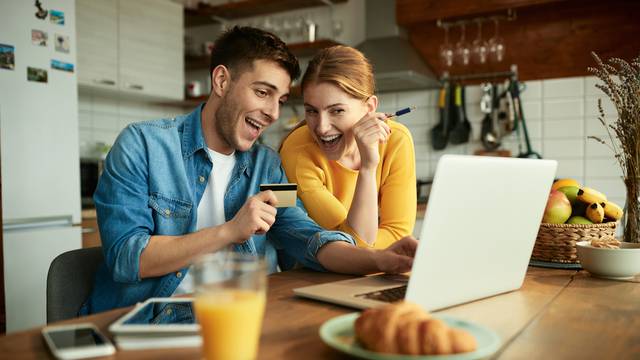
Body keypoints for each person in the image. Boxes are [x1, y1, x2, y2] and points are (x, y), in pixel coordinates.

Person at [80, 27, 417, 315]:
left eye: (281, 100)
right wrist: (230, 231)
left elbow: (308, 237)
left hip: (243, 316)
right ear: (222, 80)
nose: (272, 112)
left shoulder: (267, 166)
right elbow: (128, 257)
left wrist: (380, 260)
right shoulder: (142, 146)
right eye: (262, 92)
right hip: (149, 321)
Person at [279, 46, 417, 249]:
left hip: (378, 271)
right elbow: (351, 244)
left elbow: (398, 234)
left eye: (337, 111)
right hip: (315, 276)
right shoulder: (297, 150)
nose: (322, 128)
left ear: (369, 108)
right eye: (312, 111)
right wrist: (368, 169)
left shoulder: (396, 140)